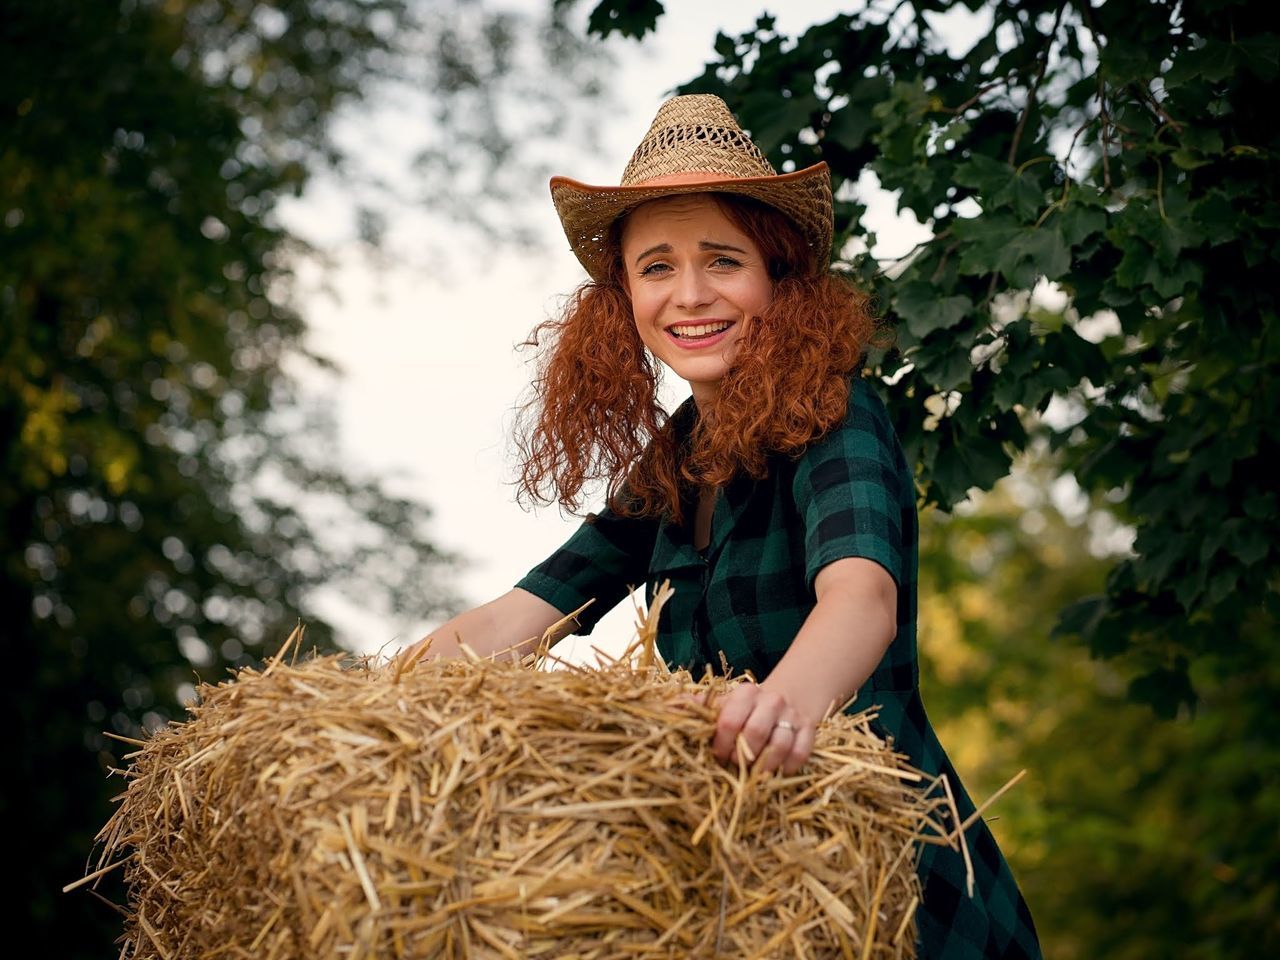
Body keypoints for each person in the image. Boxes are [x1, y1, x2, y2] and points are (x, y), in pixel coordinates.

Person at [416, 94, 1041, 959]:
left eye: (722, 260)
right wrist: (372, 706)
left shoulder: (838, 413)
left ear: (776, 278)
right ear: (623, 295)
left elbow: (860, 598)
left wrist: (780, 709)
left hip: (894, 888)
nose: (692, 294)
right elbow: (521, 616)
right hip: (742, 891)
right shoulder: (675, 458)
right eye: (657, 267)